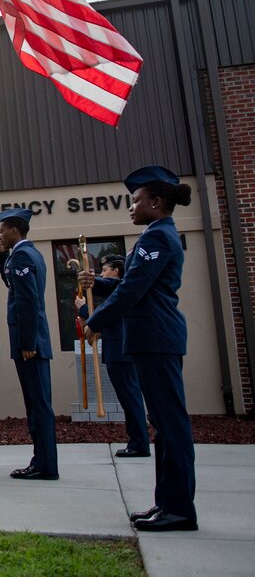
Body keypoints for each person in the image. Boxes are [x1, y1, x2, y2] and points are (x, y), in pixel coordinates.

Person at [80, 166, 197, 532]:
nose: (131, 207)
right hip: (152, 338)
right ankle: (167, 503)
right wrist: (98, 282)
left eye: (136, 200)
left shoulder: (157, 237)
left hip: (156, 338)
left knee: (170, 424)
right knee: (162, 424)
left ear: (156, 202)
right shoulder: (155, 234)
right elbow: (132, 283)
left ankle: (179, 509)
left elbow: (133, 289)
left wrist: (95, 321)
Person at [0, 207, 59, 481]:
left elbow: (28, 301)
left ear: (14, 229)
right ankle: (42, 461)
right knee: (36, 404)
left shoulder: (22, 255)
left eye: (2, 230)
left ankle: (45, 465)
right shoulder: (28, 254)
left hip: (30, 344)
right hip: (31, 341)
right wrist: (1, 255)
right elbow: (13, 285)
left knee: (38, 405)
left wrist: (27, 342)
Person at [75, 254, 150, 458]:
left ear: (116, 271)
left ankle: (139, 443)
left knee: (130, 397)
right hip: (117, 352)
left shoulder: (121, 288)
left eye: (105, 270)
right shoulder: (117, 289)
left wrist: (84, 307)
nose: (102, 273)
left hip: (121, 352)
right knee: (128, 398)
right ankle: (137, 440)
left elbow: (108, 316)